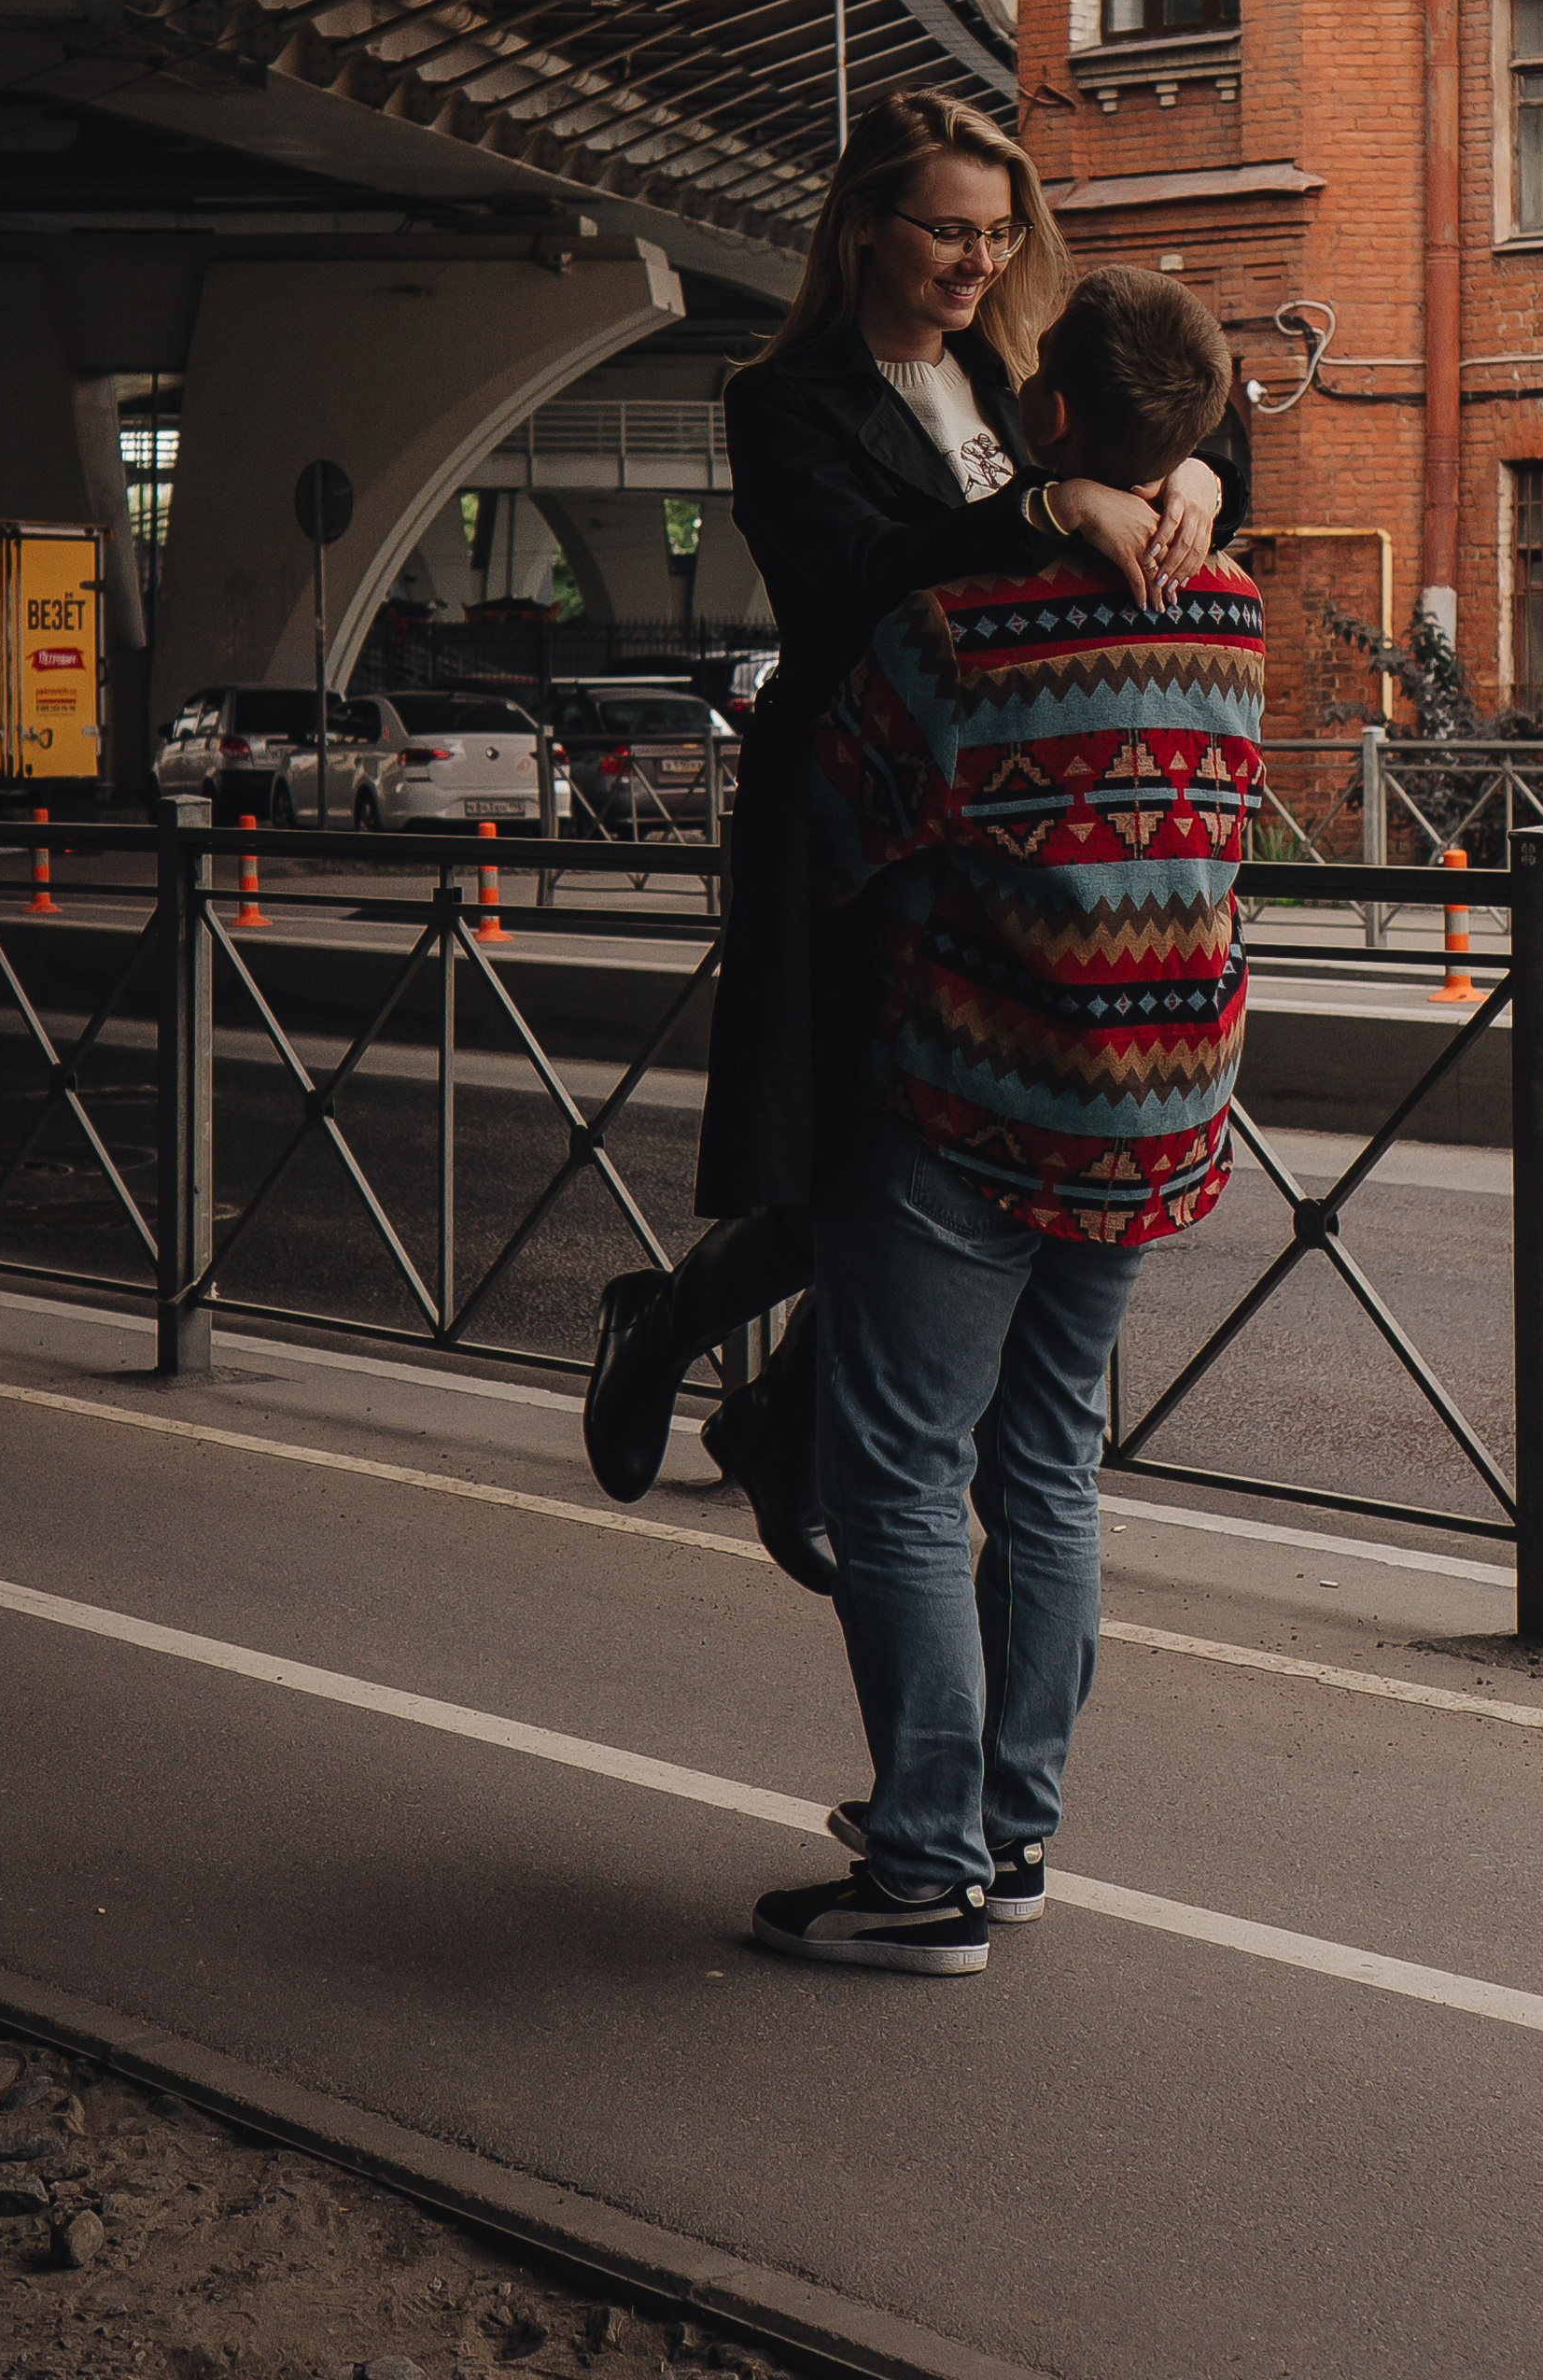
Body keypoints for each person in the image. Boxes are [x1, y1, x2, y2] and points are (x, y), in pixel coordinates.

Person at [581, 95, 1246, 1568]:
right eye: (947, 228)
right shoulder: (788, 397)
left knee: (951, 1163)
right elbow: (854, 575)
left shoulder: (1018, 371)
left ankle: (760, 1410)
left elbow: (1192, 394)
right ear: (864, 226)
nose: (977, 257)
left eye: (999, 231)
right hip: (852, 823)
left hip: (1008, 845)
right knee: (872, 1170)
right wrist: (1044, 506)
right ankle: (685, 1333)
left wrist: (1198, 475)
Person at [750, 266, 1265, 1974]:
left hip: (974, 1104)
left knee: (896, 1472)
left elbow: (833, 835)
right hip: (1156, 1111)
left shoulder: (962, 632)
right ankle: (1014, 1837)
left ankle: (922, 1869)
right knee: (1047, 1468)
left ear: (1045, 422)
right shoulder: (1235, 614)